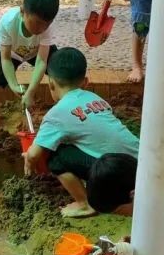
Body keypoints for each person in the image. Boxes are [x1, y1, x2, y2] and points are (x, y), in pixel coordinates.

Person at [24, 47, 140, 218]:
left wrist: (28, 161)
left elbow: (34, 155)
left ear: (51, 84)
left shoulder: (56, 114)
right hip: (141, 166)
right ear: (85, 82)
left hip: (117, 177)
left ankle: (85, 204)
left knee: (56, 157)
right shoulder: (96, 99)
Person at [0, 0, 60, 148]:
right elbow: (5, 59)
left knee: (61, 74)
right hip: (11, 54)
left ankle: (64, 122)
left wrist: (31, 91)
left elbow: (41, 62)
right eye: (37, 23)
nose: (40, 29)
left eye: (46, 24)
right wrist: (13, 85)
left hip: (36, 52)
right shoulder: (8, 22)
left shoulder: (46, 28)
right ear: (22, 11)